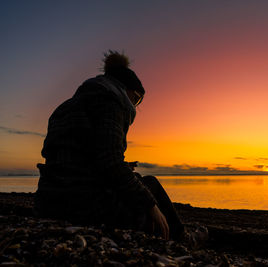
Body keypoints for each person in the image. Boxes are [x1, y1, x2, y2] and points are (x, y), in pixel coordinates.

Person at [34, 51, 184, 240]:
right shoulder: (111, 102)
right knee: (149, 184)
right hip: (81, 205)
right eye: (137, 98)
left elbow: (80, 159)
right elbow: (109, 161)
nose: (135, 105)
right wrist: (150, 205)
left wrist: (123, 168)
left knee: (133, 181)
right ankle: (181, 237)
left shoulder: (69, 106)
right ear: (126, 89)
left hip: (48, 201)